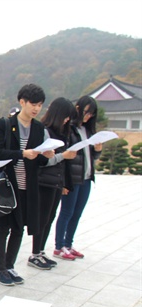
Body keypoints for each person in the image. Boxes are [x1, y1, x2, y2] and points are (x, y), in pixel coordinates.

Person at [0, 83, 54, 286]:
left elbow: (39, 161)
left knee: (19, 228)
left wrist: (47, 155)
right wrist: (21, 154)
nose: (36, 109)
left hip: (28, 187)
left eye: (40, 105)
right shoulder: (5, 124)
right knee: (4, 227)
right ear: (22, 102)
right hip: (8, 186)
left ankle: (10, 266)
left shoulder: (39, 128)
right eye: (33, 104)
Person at [28, 97, 78, 270]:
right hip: (44, 182)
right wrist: (63, 156)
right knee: (41, 219)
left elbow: (61, 164)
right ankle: (34, 253)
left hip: (55, 182)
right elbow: (42, 161)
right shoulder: (45, 131)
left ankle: (41, 251)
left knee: (49, 218)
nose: (67, 121)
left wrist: (64, 183)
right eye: (65, 117)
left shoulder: (63, 133)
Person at [54, 95, 102, 260]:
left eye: (91, 114)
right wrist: (64, 181)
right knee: (66, 212)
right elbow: (64, 157)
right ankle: (59, 246)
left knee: (77, 213)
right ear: (78, 108)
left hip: (86, 178)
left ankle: (68, 244)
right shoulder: (69, 129)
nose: (88, 116)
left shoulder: (88, 130)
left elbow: (92, 157)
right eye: (86, 112)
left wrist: (97, 149)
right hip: (72, 179)